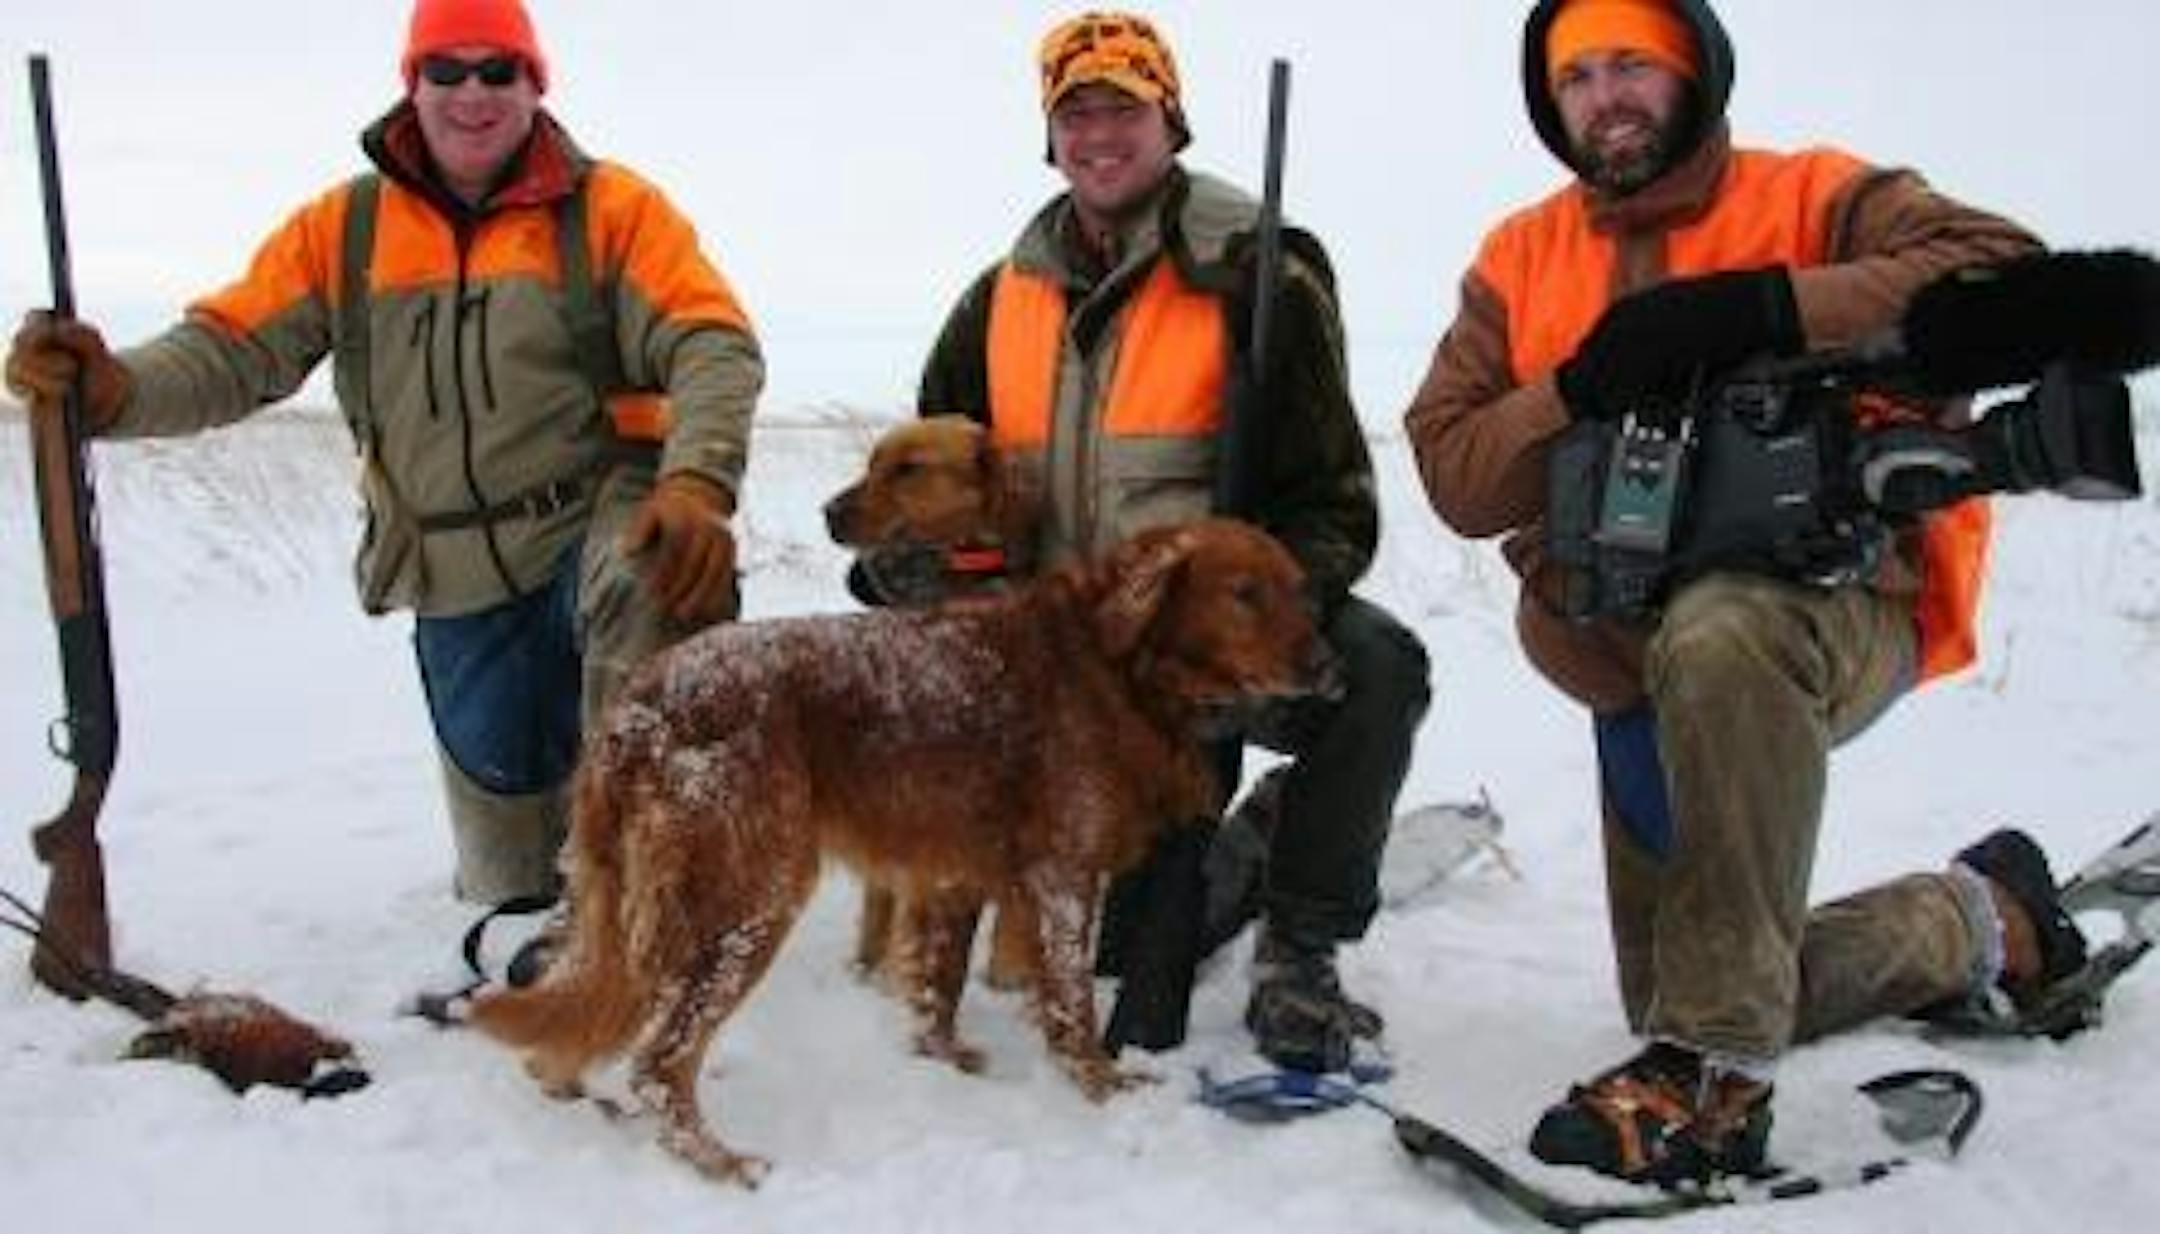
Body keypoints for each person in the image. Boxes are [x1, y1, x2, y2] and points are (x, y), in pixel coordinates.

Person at [1404, 0, 2092, 1187]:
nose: (1605, 96)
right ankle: (1979, 920)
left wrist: (1761, 308)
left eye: (1634, 65)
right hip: (1629, 650)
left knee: (1724, 630)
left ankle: (1713, 1085)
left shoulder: (1814, 196)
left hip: (1828, 605)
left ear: (1694, 73)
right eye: (1577, 77)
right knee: (1676, 980)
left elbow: (2008, 269)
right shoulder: (1519, 257)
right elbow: (1459, 475)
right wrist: (1583, 380)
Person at [5, 0, 761, 907]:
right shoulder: (345, 228)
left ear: (535, 85)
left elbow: (712, 341)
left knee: (655, 588)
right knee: (507, 886)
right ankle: (562, 891)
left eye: (498, 71)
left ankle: (654, 914)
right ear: (413, 85)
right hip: (450, 572)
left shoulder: (614, 209)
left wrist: (695, 481)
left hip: (591, 521)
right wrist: (113, 388)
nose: (472, 93)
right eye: (446, 70)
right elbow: (229, 351)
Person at [899, 11, 1431, 1073]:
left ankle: (1304, 943)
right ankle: (1245, 835)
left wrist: (1240, 630)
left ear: (1170, 121)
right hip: (1064, 662)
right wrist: (917, 565)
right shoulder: (997, 296)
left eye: (1124, 108)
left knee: (1374, 669)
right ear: (1050, 137)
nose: (1099, 134)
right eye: (1074, 113)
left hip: (1203, 646)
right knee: (1113, 948)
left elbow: (1334, 506)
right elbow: (940, 481)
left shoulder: (1260, 268)